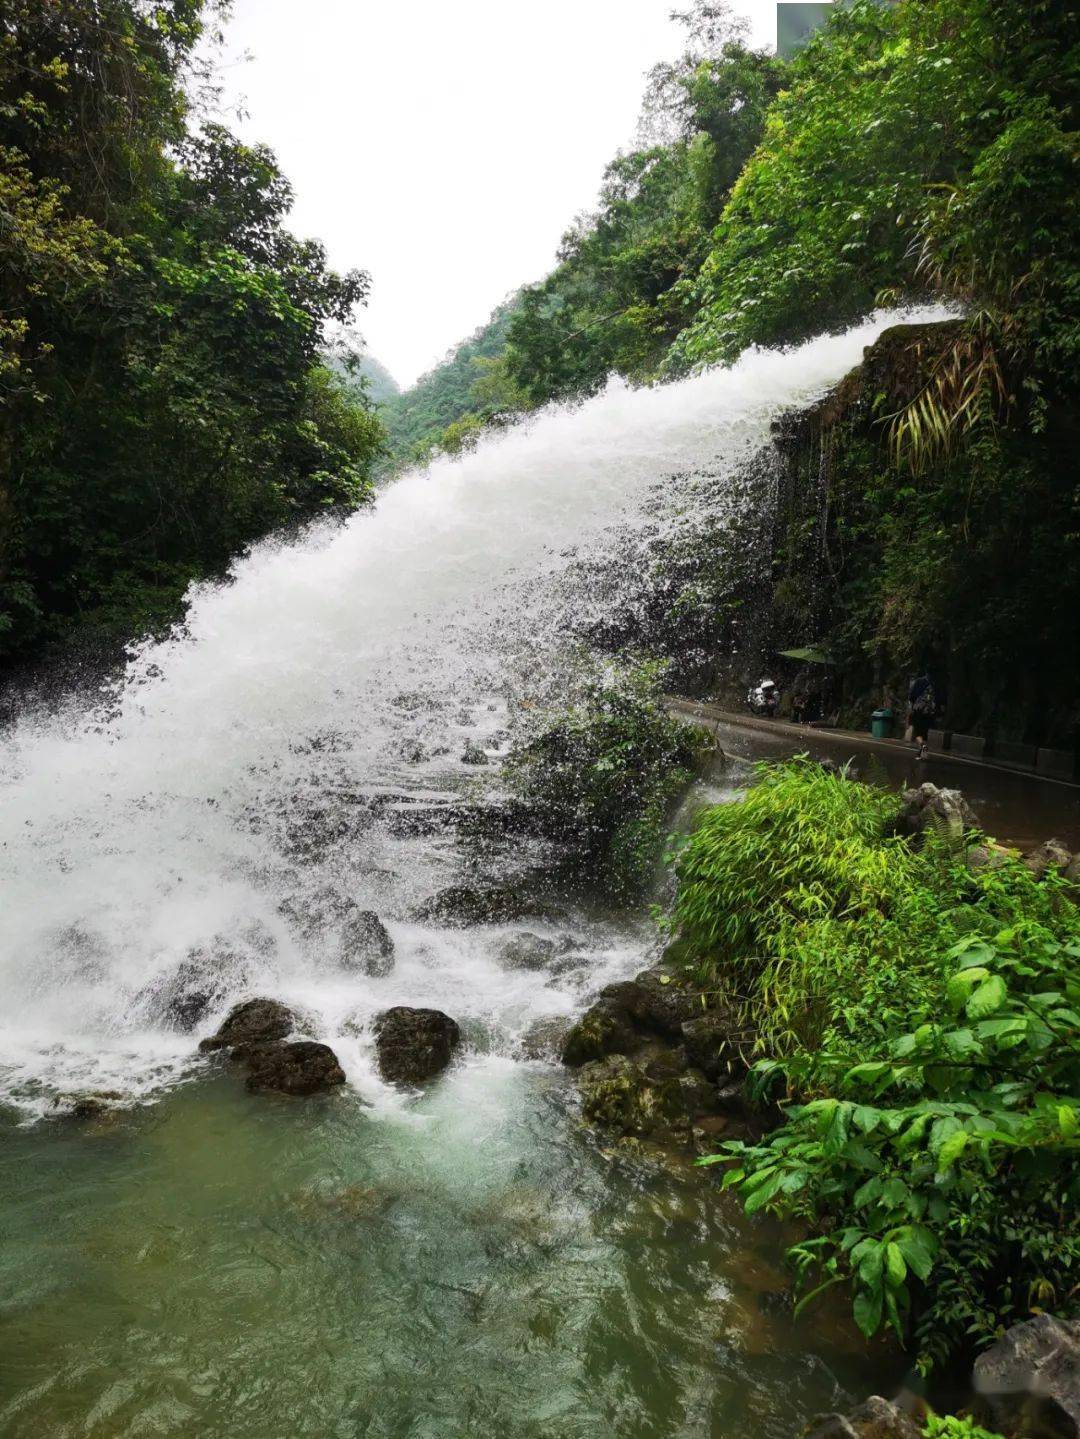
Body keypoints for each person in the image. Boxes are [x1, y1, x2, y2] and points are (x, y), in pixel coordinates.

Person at [907, 673, 937, 756]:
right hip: (929, 711)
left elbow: (912, 695)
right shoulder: (935, 683)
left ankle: (922, 745)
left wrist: (912, 707)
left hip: (918, 709)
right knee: (924, 731)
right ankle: (922, 751)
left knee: (917, 731)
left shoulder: (919, 681)